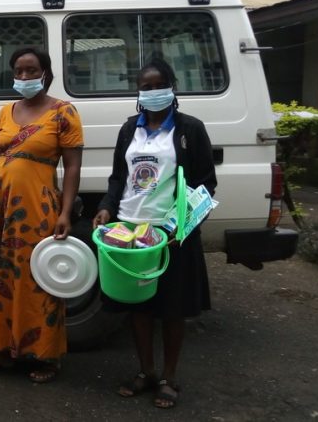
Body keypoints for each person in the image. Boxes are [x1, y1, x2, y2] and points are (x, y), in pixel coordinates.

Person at [92, 58, 217, 409]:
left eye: (157, 84)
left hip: (170, 232)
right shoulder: (130, 128)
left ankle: (169, 377)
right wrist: (106, 206)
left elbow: (205, 183)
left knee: (173, 309)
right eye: (144, 86)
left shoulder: (190, 130)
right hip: (130, 231)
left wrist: (183, 225)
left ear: (172, 86)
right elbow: (119, 177)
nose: (151, 91)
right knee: (139, 306)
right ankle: (145, 371)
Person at [0, 47, 83, 383]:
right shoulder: (6, 111)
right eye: (19, 71)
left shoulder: (63, 113)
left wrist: (65, 212)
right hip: (2, 209)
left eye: (32, 70)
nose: (25, 77)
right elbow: (0, 157)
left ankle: (44, 357)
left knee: (37, 281)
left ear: (46, 72)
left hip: (38, 209)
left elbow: (72, 167)